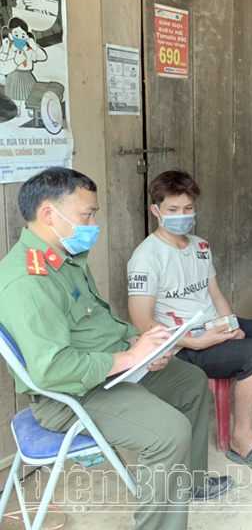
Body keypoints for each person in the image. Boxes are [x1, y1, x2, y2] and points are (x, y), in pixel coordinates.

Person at [0, 168, 231, 530]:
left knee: (190, 381)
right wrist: (131, 358)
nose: (94, 223)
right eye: (86, 215)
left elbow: (100, 321)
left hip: (107, 370)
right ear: (49, 214)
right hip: (69, 395)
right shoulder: (28, 280)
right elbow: (53, 370)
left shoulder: (64, 258)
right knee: (169, 433)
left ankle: (190, 482)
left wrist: (138, 341)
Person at [128, 171, 252, 472]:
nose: (182, 216)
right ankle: (241, 438)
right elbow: (141, 320)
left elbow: (215, 293)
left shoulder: (200, 246)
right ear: (156, 211)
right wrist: (192, 340)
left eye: (188, 209)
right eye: (173, 210)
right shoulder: (146, 257)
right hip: (183, 344)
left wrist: (230, 325)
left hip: (213, 328)